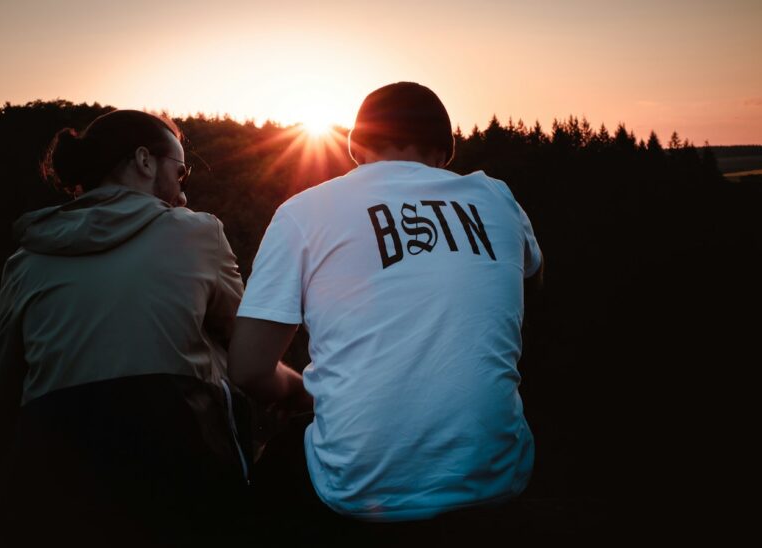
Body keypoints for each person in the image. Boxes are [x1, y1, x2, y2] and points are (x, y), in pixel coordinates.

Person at [229, 82, 543, 542]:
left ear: (356, 148)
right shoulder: (498, 199)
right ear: (443, 154)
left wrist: (301, 393)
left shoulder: (303, 211)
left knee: (269, 475)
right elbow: (531, 282)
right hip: (496, 476)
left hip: (356, 491)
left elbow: (248, 368)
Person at [0, 109, 249, 546]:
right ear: (144, 161)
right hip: (178, 473)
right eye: (181, 170)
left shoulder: (24, 261)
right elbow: (247, 349)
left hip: (54, 487)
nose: (183, 189)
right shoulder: (197, 233)